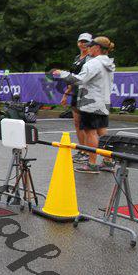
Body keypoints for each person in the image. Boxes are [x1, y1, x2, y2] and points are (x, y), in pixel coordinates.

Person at [53, 36, 116, 174]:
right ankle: (108, 161)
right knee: (102, 132)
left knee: (90, 132)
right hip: (103, 101)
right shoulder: (108, 63)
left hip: (90, 102)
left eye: (90, 46)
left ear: (97, 48)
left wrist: (62, 73)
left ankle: (92, 164)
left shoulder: (93, 63)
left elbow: (79, 80)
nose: (88, 48)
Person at [61, 33, 92, 164]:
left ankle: (88, 152)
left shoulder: (91, 58)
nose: (83, 44)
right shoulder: (76, 58)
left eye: (86, 42)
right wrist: (66, 94)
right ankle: (81, 150)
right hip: (75, 92)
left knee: (86, 124)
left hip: (86, 93)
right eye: (81, 41)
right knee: (77, 122)